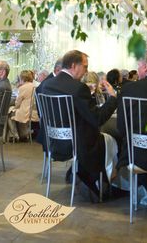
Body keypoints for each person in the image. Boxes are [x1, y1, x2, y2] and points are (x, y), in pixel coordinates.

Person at [41, 50, 117, 200]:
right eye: (85, 67)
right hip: (78, 145)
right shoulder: (78, 88)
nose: (86, 71)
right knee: (111, 140)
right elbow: (98, 118)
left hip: (54, 143)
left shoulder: (46, 85)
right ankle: (101, 181)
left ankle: (82, 176)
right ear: (74, 66)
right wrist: (113, 98)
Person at [117, 50, 147, 211]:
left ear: (144, 66)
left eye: (138, 66)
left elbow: (122, 128)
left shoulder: (130, 90)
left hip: (138, 155)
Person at [8, 70, 39, 141]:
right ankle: (24, 134)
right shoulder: (35, 86)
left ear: (22, 78)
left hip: (25, 112)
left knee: (9, 112)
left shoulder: (23, 88)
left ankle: (14, 135)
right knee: (14, 111)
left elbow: (17, 103)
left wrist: (14, 106)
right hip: (34, 112)